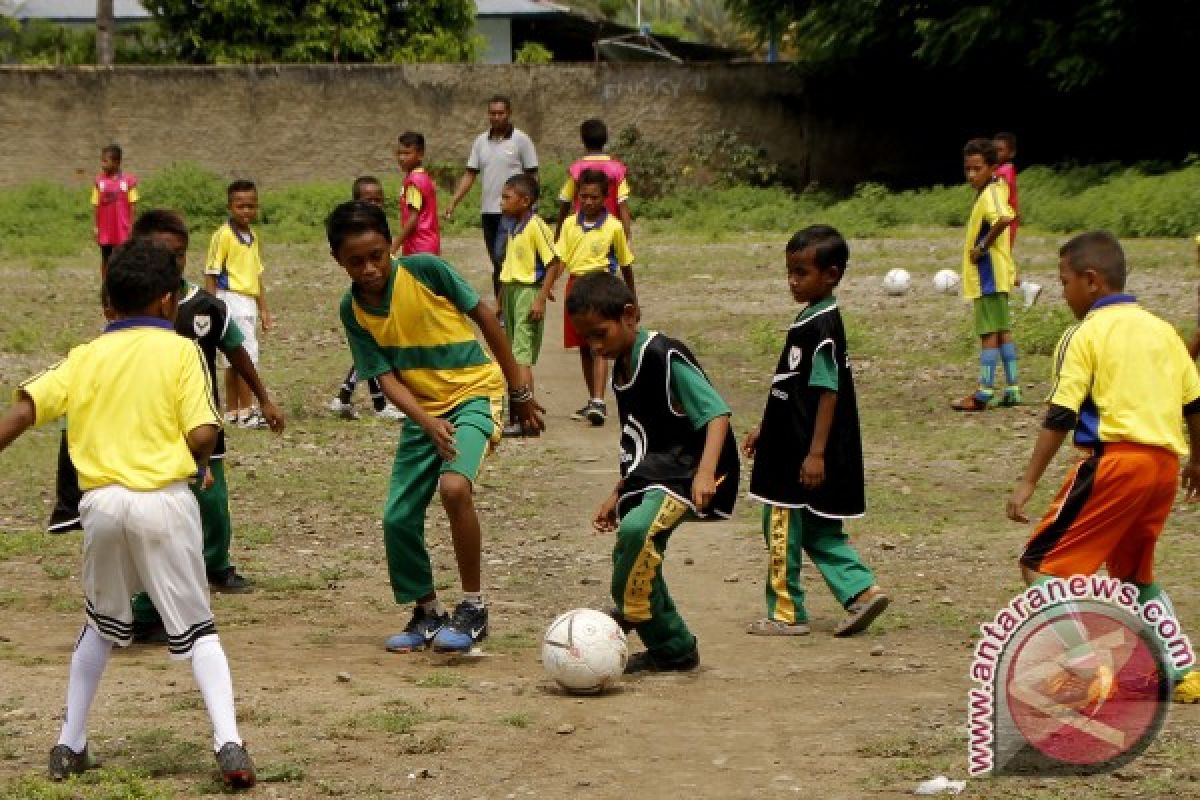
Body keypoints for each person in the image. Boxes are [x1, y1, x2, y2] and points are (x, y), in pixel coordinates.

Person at [0, 239, 255, 788]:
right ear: (169, 301)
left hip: (102, 505)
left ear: (108, 303)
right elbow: (203, 430)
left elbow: (23, 412)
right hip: (164, 499)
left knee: (99, 623)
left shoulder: (84, 356)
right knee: (199, 628)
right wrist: (200, 460)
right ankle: (228, 742)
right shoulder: (183, 352)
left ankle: (70, 744)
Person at [327, 201, 544, 654]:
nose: (369, 268)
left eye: (377, 256)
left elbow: (486, 317)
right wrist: (427, 422)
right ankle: (427, 612)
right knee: (397, 516)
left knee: (454, 489)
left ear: (391, 247)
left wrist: (518, 389)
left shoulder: (426, 271)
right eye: (355, 261)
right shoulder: (354, 310)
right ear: (338, 261)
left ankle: (473, 608)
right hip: (423, 411)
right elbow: (385, 378)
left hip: (475, 394)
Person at [1006, 231, 1200, 705]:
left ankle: (1091, 670)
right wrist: (1197, 460)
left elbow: (1061, 413)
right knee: (1136, 574)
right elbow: (1195, 400)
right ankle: (1185, 671)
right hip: (1163, 467)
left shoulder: (1086, 333)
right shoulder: (1162, 330)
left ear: (1090, 281)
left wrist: (1029, 479)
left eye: (1064, 281)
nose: (1062, 291)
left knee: (1039, 567)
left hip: (1115, 463)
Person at [568, 272, 739, 673]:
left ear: (630, 315)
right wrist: (618, 491)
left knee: (636, 532)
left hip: (690, 471)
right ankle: (674, 649)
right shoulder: (620, 367)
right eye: (586, 339)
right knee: (641, 552)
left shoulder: (663, 356)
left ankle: (627, 612)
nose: (595, 346)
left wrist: (704, 473)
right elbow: (639, 440)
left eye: (600, 334)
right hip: (653, 472)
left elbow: (717, 415)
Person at [742, 225, 889, 637]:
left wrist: (816, 452)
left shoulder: (821, 325)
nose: (792, 281)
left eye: (801, 273)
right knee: (820, 527)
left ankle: (785, 612)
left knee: (781, 526)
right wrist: (765, 428)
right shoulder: (810, 319)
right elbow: (791, 387)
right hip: (786, 441)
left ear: (832, 275)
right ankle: (861, 590)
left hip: (797, 452)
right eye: (789, 272)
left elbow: (828, 391)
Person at [555, 169, 635, 426]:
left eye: (594, 197)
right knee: (583, 346)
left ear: (605, 197)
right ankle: (593, 399)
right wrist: (545, 290)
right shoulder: (570, 224)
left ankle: (600, 400)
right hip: (576, 288)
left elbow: (626, 264)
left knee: (599, 345)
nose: (588, 202)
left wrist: (633, 298)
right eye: (584, 197)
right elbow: (559, 260)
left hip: (602, 287)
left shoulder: (613, 227)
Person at [443, 95, 539, 304]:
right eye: (492, 113)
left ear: (509, 113)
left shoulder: (521, 140)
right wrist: (454, 201)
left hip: (513, 213)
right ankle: (502, 308)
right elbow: (470, 174)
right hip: (489, 212)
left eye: (500, 113)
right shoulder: (480, 142)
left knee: (509, 259)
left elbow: (532, 175)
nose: (496, 117)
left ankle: (516, 304)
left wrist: (532, 206)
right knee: (497, 262)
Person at [329, 176, 405, 421]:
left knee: (372, 349)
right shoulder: (353, 239)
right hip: (369, 304)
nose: (375, 205)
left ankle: (345, 395)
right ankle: (380, 402)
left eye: (379, 200)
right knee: (372, 348)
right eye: (368, 200)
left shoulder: (380, 232)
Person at [952, 138, 1020, 412]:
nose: (971, 175)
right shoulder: (995, 188)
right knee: (1003, 331)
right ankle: (1013, 388)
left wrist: (981, 247)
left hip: (988, 275)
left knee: (988, 332)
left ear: (992, 167)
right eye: (968, 168)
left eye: (977, 168)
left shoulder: (991, 192)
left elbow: (1004, 218)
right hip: (998, 273)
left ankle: (984, 392)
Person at [205, 180, 273, 429]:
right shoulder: (222, 236)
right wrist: (211, 306)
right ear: (230, 207)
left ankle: (232, 412)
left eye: (251, 206)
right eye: (240, 206)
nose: (246, 211)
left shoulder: (253, 236)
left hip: (248, 300)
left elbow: (257, 275)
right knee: (242, 356)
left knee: (235, 356)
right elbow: (211, 272)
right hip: (229, 298)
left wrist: (264, 309)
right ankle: (246, 411)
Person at [497, 173, 562, 436]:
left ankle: (526, 419)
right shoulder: (512, 226)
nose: (501, 203)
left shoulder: (536, 226)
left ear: (525, 200)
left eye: (506, 197)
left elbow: (553, 263)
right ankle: (519, 413)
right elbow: (508, 269)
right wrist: (500, 302)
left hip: (526, 294)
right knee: (513, 355)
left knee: (521, 357)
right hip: (512, 292)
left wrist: (540, 298)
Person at [554, 118, 633, 240]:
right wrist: (628, 238)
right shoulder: (617, 169)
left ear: (583, 140)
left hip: (581, 232)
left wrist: (558, 233)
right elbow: (623, 205)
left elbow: (565, 202)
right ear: (605, 140)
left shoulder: (576, 169)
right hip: (610, 233)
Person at [993, 132, 1041, 308]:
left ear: (1011, 153)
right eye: (993, 150)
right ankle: (1024, 288)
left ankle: (1024, 288)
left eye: (1000, 150)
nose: (996, 153)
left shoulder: (1005, 171)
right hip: (1003, 221)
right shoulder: (1001, 170)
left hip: (1005, 222)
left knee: (999, 260)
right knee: (1000, 259)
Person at [392, 131, 441, 257]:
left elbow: (413, 219)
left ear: (420, 155)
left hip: (419, 246)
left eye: (407, 153)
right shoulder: (423, 177)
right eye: (399, 153)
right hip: (429, 244)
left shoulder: (414, 181)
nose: (402, 158)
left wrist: (394, 247)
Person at [92, 144, 138, 276]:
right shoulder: (99, 181)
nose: (102, 164)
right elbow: (96, 204)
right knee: (106, 257)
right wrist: (96, 226)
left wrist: (131, 225)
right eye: (102, 161)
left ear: (117, 162)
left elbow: (133, 205)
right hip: (105, 228)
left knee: (122, 258)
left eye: (105, 161)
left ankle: (120, 284)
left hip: (122, 228)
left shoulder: (128, 181)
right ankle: (106, 287)